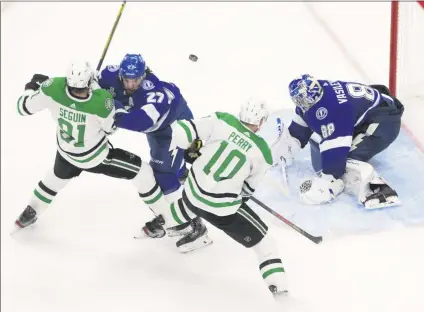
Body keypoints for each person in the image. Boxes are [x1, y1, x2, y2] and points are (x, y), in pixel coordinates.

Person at [137, 99, 289, 296]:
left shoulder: (221, 120)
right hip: (222, 208)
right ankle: (282, 294)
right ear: (260, 122)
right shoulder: (263, 152)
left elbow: (183, 131)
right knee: (266, 244)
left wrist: (193, 147)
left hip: (193, 191)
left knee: (191, 204)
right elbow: (247, 190)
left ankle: (155, 226)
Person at [14, 61, 172, 232]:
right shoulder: (101, 101)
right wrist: (94, 83)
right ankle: (170, 219)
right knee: (143, 172)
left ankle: (31, 211)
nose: (80, 93)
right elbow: (110, 129)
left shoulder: (52, 88)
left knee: (53, 180)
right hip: (94, 157)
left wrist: (32, 87)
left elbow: (22, 107)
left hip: (66, 152)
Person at [97, 54, 211, 246]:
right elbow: (89, 83)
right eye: (127, 79)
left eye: (136, 80)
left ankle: (193, 225)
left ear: (143, 76)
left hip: (174, 128)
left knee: (162, 176)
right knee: (169, 166)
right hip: (158, 131)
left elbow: (141, 122)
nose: (131, 84)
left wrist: (112, 107)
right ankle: (181, 172)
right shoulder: (109, 74)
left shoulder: (153, 91)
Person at [275, 74, 404, 209]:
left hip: (384, 123)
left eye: (306, 101)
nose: (303, 104)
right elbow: (302, 123)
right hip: (373, 110)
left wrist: (329, 180)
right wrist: (289, 144)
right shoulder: (315, 92)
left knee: (345, 162)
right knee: (330, 148)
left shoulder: (334, 110)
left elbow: (336, 153)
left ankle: (379, 191)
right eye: (300, 101)